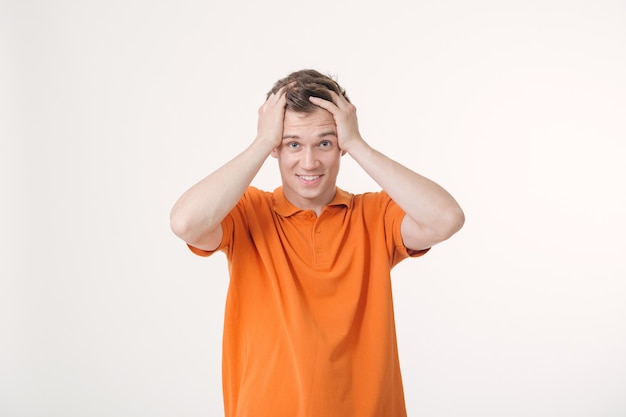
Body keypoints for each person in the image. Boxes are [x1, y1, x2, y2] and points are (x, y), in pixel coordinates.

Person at [170, 69, 465, 417]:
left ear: (340, 145)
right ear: (276, 147)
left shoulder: (373, 215)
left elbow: (446, 219)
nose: (308, 162)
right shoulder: (248, 212)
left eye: (324, 143)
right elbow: (186, 222)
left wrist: (358, 144)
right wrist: (262, 142)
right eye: (293, 143)